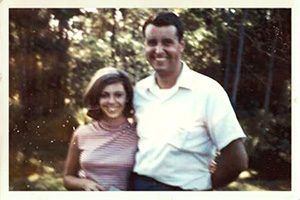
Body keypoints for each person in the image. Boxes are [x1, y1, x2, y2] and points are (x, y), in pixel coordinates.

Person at [132, 12, 248, 191]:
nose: (159, 50)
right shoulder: (139, 91)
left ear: (181, 46)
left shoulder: (208, 91)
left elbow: (237, 159)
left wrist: (204, 186)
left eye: (167, 42)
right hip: (139, 186)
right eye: (152, 42)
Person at [63, 67, 138, 191]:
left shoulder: (137, 134)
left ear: (127, 98)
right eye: (104, 95)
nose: (111, 101)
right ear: (97, 98)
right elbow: (68, 178)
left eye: (118, 95)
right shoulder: (82, 133)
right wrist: (84, 184)